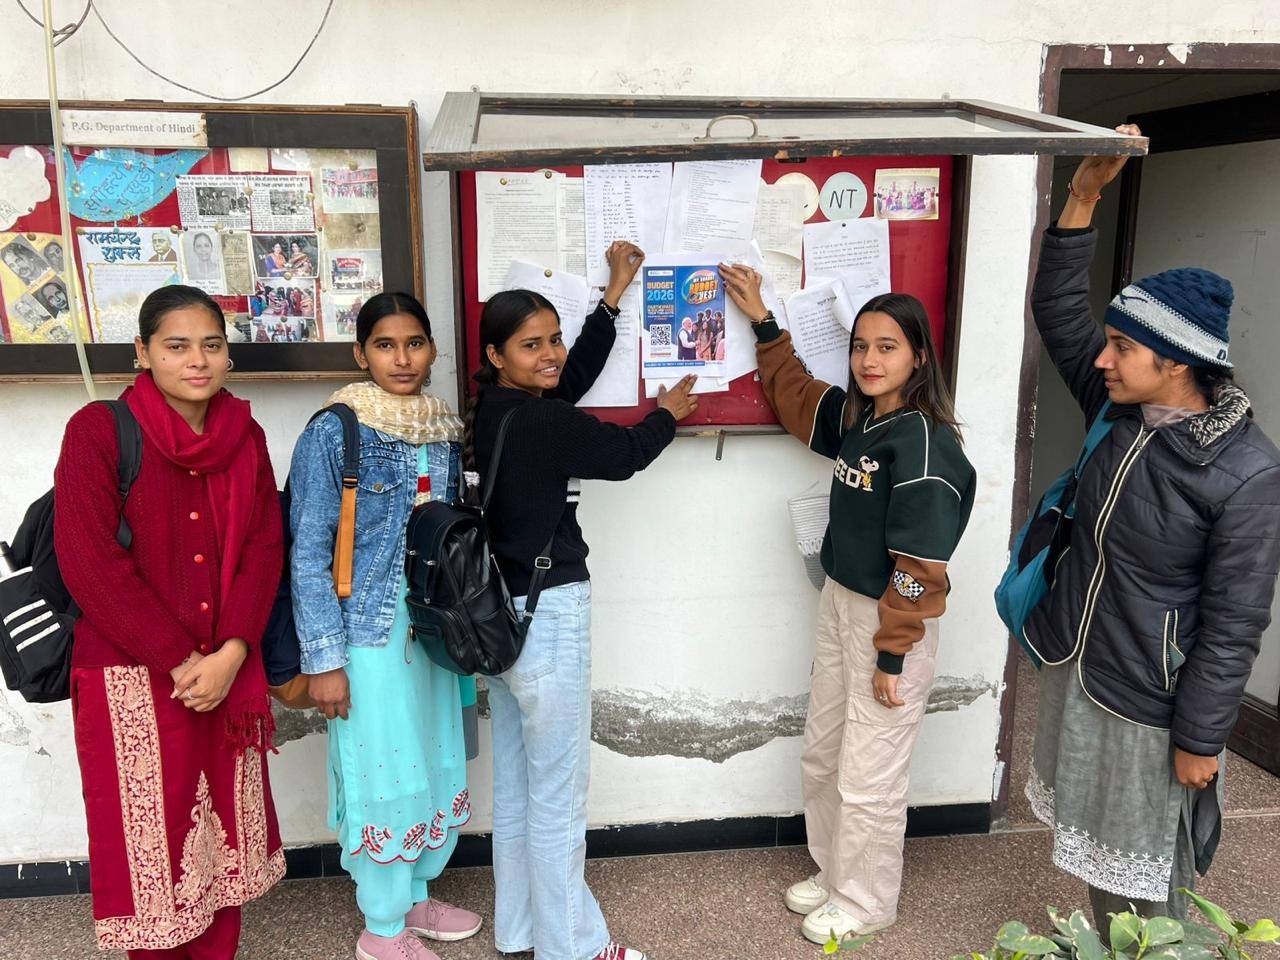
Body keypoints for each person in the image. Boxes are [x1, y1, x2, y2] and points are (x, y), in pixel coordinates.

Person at [1022, 126, 1280, 936]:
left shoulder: (1246, 470)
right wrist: (1082, 196)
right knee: (1099, 860)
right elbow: (1057, 311)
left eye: (1122, 346)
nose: (1103, 359)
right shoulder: (1119, 411)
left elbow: (1235, 623)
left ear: (1177, 362)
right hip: (1085, 665)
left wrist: (1202, 738)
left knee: (1152, 878)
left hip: (1152, 701)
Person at [719, 262, 975, 945]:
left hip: (891, 621)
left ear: (919, 357)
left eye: (887, 347)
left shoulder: (924, 444)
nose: (868, 360)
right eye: (860, 346)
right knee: (827, 749)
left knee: (871, 770)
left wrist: (892, 656)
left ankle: (867, 901)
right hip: (841, 603)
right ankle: (835, 873)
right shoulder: (862, 420)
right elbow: (799, 395)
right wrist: (764, 322)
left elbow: (920, 569)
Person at [466, 240, 698, 960]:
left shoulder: (497, 411)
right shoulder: (544, 422)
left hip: (501, 617)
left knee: (518, 786)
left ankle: (521, 929)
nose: (551, 354)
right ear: (496, 354)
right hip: (550, 616)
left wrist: (611, 300)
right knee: (559, 793)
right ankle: (573, 946)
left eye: (554, 338)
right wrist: (668, 414)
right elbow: (623, 455)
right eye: (531, 345)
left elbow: (568, 380)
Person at [52, 284, 285, 958]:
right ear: (143, 352)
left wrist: (232, 653)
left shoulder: (244, 435)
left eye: (211, 345)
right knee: (150, 850)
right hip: (133, 679)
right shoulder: (98, 431)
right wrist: (185, 662)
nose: (196, 361)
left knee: (223, 846)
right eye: (177, 346)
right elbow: (89, 562)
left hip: (226, 674)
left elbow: (263, 546)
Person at [290, 291, 482, 960]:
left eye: (414, 344)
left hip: (434, 629)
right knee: (384, 773)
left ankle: (417, 894)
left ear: (432, 349)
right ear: (361, 353)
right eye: (384, 345)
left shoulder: (443, 428)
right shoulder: (336, 430)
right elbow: (309, 551)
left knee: (433, 760)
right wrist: (324, 659)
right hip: (368, 636)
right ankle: (382, 926)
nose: (402, 359)